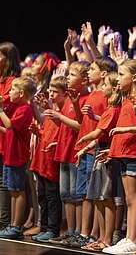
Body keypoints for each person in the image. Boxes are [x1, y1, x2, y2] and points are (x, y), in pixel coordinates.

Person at [64, 57, 117, 248]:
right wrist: (77, 104)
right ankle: (89, 233)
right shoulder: (93, 94)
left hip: (97, 147)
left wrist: (89, 142)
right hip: (86, 147)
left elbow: (105, 123)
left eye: (92, 69)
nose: (88, 72)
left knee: (95, 194)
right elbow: (82, 122)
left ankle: (91, 233)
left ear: (103, 74)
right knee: (89, 194)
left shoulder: (105, 95)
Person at [101, 59, 136, 255]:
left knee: (134, 198)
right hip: (123, 152)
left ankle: (134, 239)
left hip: (135, 153)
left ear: (134, 77)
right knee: (129, 199)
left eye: (121, 75)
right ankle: (128, 237)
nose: (117, 78)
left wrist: (126, 129)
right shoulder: (126, 98)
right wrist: (111, 151)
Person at [75, 71, 124, 251]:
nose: (102, 88)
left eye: (105, 85)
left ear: (114, 88)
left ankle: (107, 238)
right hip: (99, 151)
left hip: (107, 155)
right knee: (98, 199)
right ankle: (102, 237)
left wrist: (82, 139)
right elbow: (100, 133)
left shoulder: (113, 110)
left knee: (106, 198)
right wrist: (87, 147)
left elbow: (98, 132)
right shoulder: (108, 110)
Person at [47, 61, 90, 244]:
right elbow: (64, 125)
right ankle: (70, 230)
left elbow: (81, 126)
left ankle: (79, 231)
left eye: (72, 75)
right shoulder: (72, 98)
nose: (68, 78)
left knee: (75, 194)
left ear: (84, 79)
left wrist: (60, 116)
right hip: (64, 151)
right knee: (65, 194)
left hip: (75, 152)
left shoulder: (84, 99)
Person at [29, 76, 68, 242]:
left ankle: (53, 228)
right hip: (42, 160)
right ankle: (44, 227)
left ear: (64, 94)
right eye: (50, 91)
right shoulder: (52, 112)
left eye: (55, 92)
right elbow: (48, 131)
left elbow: (64, 133)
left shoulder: (63, 113)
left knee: (52, 197)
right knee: (42, 196)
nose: (51, 95)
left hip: (52, 162)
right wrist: (39, 133)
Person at [0, 77, 37, 239]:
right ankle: (12, 224)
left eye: (13, 90)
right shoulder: (17, 107)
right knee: (13, 190)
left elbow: (9, 125)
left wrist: (0, 110)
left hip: (17, 156)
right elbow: (9, 131)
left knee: (18, 191)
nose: (9, 92)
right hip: (9, 154)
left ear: (21, 93)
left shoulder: (24, 109)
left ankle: (16, 225)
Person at [0, 42, 21, 230]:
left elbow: (5, 102)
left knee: (5, 184)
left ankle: (4, 221)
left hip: (7, 139)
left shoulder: (13, 82)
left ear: (7, 59)